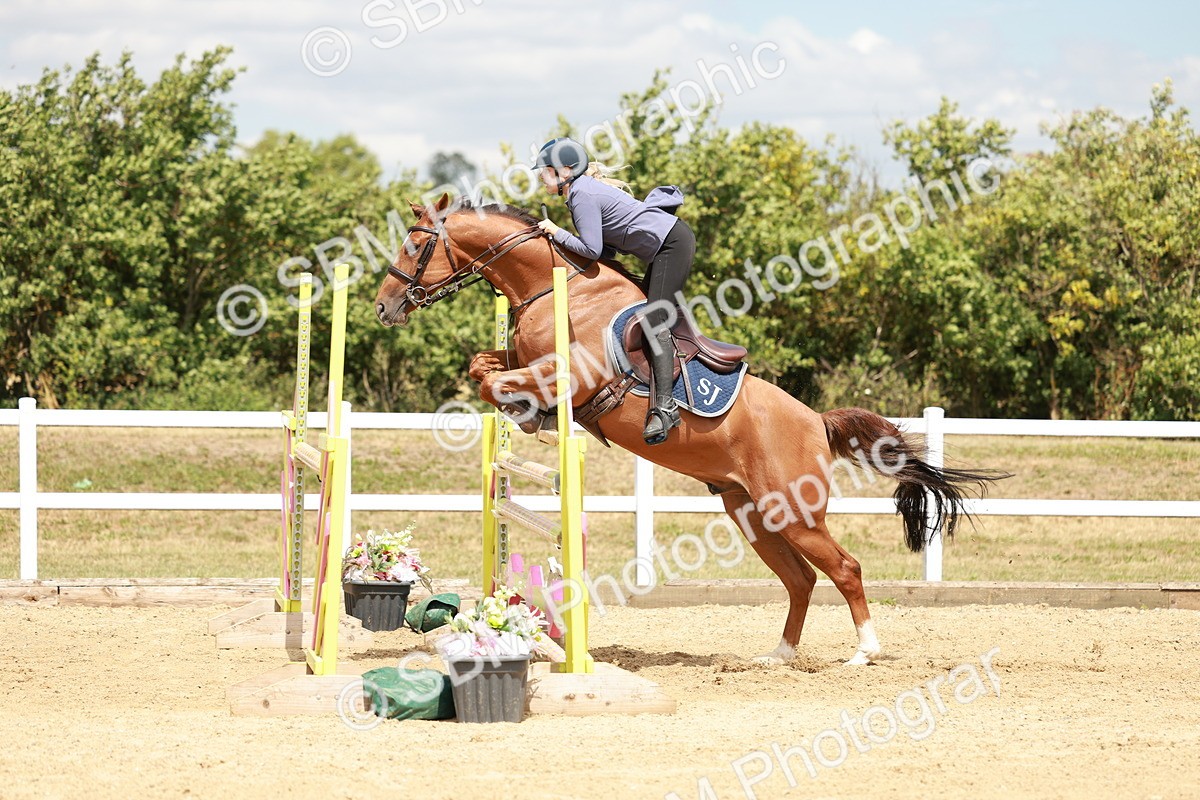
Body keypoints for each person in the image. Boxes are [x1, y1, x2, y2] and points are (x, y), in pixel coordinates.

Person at [532, 136, 696, 445]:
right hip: (665, 247)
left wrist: (556, 231)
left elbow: (591, 250)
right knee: (637, 313)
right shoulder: (578, 192)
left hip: (672, 245)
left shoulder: (581, 195)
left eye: (545, 170)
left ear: (565, 171)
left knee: (653, 319)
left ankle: (665, 408)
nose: (541, 176)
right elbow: (604, 252)